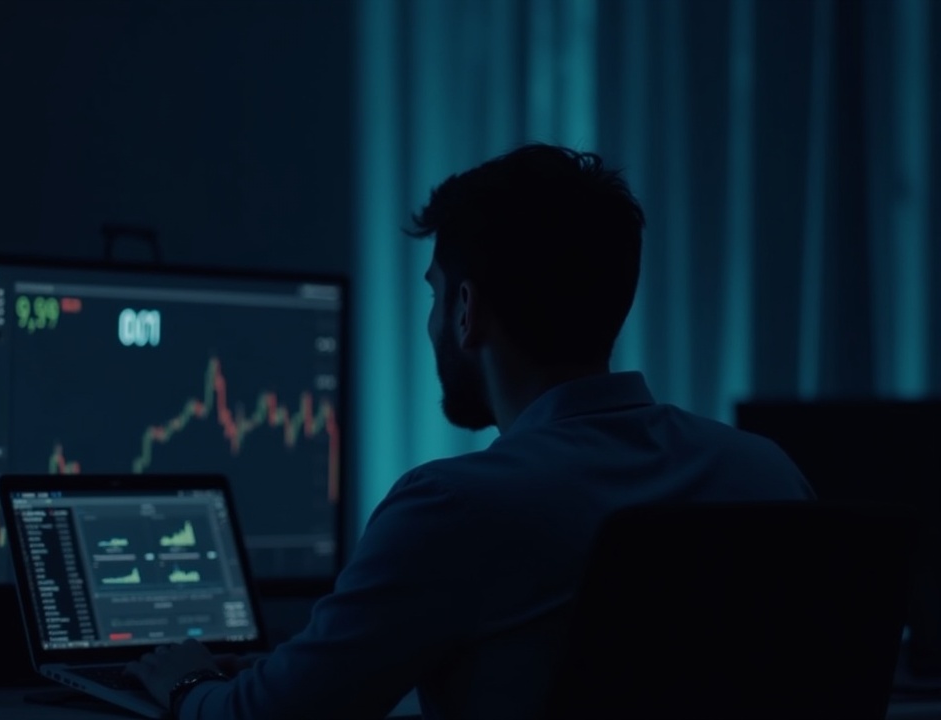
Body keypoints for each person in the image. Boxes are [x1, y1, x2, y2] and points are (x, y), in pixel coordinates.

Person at [124, 143, 815, 719]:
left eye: (433, 294)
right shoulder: (766, 474)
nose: (430, 323)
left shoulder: (455, 507)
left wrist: (187, 684)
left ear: (464, 310)